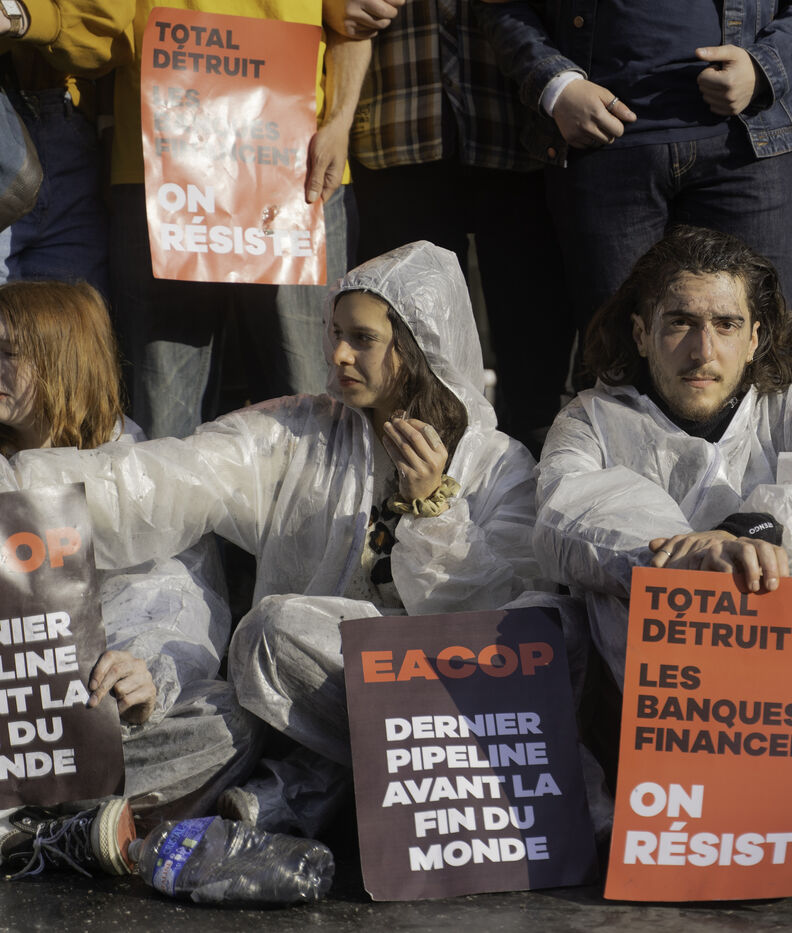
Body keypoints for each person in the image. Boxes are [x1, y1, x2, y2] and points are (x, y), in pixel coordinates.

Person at [4, 242, 543, 836]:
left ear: (419, 346)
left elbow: (501, 620)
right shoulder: (299, 434)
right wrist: (18, 486)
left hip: (453, 708)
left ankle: (307, 794)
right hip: (328, 698)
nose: (338, 354)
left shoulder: (498, 465)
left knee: (543, 638)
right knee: (269, 635)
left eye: (362, 339)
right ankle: (321, 792)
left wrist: (435, 513)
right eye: (334, 333)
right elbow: (167, 479)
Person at [534, 224, 792, 689]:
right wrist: (684, 559)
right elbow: (563, 518)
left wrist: (748, 532)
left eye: (726, 325)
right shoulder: (591, 420)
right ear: (641, 333)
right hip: (658, 698)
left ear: (753, 340)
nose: (703, 352)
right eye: (681, 323)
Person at [0, 281, 258, 877]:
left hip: (86, 716)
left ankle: (39, 830)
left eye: (9, 353)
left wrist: (147, 674)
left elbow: (177, 598)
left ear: (61, 360)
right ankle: (69, 830)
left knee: (229, 720)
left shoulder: (139, 466)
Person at [474, 0, 792, 332]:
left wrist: (765, 67)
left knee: (761, 350)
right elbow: (499, 5)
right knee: (620, 359)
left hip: (748, 148)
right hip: (603, 153)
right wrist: (556, 86)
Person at [106, 0, 372, 439]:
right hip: (161, 164)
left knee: (315, 414)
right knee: (162, 426)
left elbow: (354, 23)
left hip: (296, 164)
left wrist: (340, 123)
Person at [337, 0, 573, 454]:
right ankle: (416, 484)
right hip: (394, 132)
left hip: (517, 130)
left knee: (534, 356)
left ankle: (531, 480)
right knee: (408, 355)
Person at [0, 1, 134, 294]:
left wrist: (17, 12)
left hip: (70, 133)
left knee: (72, 319)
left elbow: (106, 27)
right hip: (47, 121)